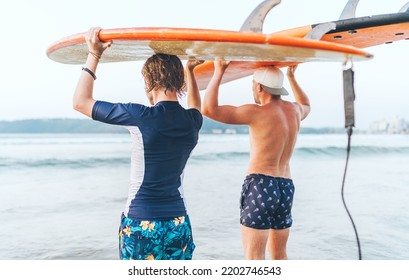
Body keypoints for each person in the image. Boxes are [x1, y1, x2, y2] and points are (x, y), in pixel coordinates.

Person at [73, 27, 204, 260]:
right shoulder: (193, 121)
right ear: (180, 82)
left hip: (141, 223)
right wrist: (190, 72)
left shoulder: (140, 116)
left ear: (149, 81)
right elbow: (196, 107)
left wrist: (94, 55)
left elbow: (80, 102)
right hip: (178, 223)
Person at [202, 59, 310, 260]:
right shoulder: (295, 111)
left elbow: (208, 109)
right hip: (285, 187)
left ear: (259, 86)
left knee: (254, 258)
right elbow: (306, 104)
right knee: (279, 255)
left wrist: (219, 71)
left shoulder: (256, 112)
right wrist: (293, 78)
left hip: (261, 185)